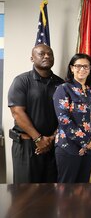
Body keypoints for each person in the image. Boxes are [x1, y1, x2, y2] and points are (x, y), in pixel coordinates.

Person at [7, 44, 64, 183]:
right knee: (25, 194)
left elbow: (65, 115)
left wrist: (50, 139)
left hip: (53, 145)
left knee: (51, 194)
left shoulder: (61, 84)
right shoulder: (21, 81)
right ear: (32, 58)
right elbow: (17, 113)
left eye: (50, 54)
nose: (46, 56)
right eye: (42, 54)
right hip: (27, 145)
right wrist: (39, 139)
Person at [53, 54, 91, 183]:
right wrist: (85, 141)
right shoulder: (63, 89)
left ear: (90, 69)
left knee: (84, 190)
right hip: (68, 147)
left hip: (90, 148)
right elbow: (63, 119)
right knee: (66, 189)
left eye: (85, 66)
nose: (82, 69)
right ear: (71, 68)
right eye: (78, 66)